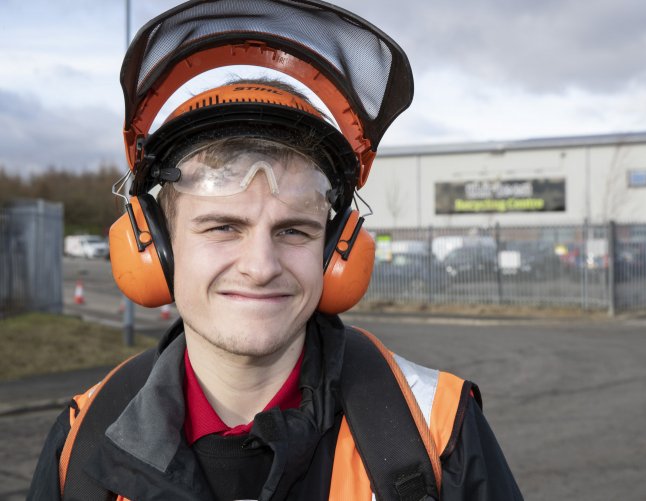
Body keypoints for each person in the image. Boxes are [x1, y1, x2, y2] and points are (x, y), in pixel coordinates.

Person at [28, 1, 523, 500]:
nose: (261, 267)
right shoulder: (82, 441)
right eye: (223, 227)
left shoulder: (436, 432)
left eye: (293, 231)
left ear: (335, 254)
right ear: (155, 247)